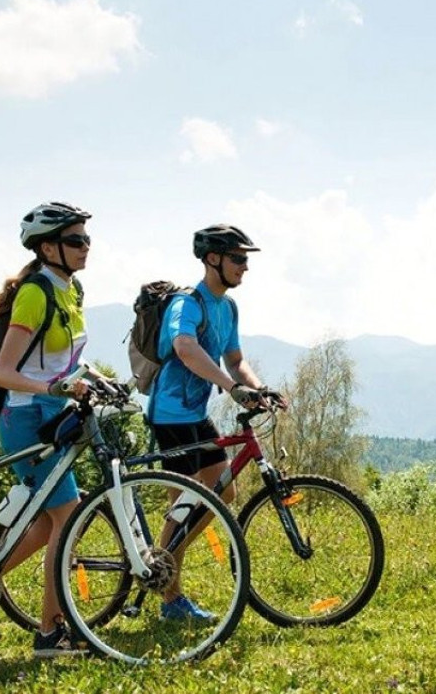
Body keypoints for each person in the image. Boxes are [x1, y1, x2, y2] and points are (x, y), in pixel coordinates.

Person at [146, 223, 286, 620]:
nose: (245, 266)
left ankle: (164, 558)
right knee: (184, 503)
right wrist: (230, 388)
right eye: (238, 259)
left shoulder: (228, 308)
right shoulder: (188, 304)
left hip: (196, 414)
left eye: (245, 259)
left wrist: (257, 389)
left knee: (222, 493)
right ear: (212, 259)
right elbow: (185, 348)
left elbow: (236, 360)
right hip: (170, 416)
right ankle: (169, 598)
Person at [0, 201, 92, 657]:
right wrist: (56, 386)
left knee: (52, 523)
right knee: (67, 518)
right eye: (75, 240)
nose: (85, 247)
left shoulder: (72, 289)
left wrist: (88, 380)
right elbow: (4, 374)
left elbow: (61, 359)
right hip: (27, 420)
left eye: (86, 239)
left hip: (51, 419)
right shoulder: (34, 294)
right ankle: (50, 633)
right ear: (48, 247)